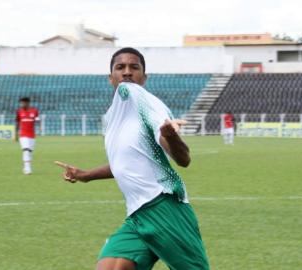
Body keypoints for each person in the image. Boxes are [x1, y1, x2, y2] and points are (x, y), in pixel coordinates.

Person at [55, 47, 210, 270]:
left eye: (134, 67)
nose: (127, 72)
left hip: (164, 208)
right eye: (120, 67)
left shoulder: (148, 104)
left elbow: (183, 159)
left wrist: (170, 136)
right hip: (137, 215)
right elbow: (126, 162)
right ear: (111, 78)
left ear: (143, 78)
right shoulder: (112, 118)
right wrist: (86, 175)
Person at [15, 97, 39, 175]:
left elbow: (38, 120)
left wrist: (40, 127)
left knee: (30, 152)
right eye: (21, 103)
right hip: (23, 135)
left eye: (23, 103)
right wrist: (16, 134)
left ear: (28, 103)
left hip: (32, 135)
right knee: (26, 150)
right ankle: (27, 168)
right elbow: (17, 122)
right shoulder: (19, 111)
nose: (22, 104)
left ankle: (27, 166)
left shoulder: (34, 111)